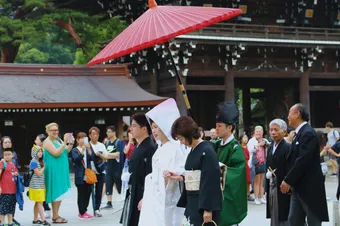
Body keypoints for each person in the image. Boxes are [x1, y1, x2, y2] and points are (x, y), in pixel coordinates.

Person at [138, 98, 187, 226]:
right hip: (157, 199)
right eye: (152, 127)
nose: (153, 131)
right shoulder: (161, 148)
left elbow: (170, 176)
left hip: (167, 200)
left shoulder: (175, 147)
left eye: (156, 127)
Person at [281, 103, 329, 225]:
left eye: (290, 114)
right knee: (294, 220)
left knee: (313, 220)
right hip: (298, 186)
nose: (288, 117)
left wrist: (288, 179)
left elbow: (302, 160)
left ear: (298, 114)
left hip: (309, 186)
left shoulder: (308, 133)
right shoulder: (299, 133)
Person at [169, 116, 222, 226]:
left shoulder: (207, 151)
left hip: (203, 204)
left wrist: (208, 209)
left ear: (189, 134)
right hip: (192, 200)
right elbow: (194, 176)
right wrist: (181, 178)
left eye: (181, 138)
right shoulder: (194, 150)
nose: (181, 142)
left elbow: (210, 180)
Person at [120, 113, 157, 226]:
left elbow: (151, 174)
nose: (131, 129)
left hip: (142, 192)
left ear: (144, 128)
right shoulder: (138, 146)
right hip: (134, 190)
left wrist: (146, 197)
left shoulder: (150, 148)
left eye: (134, 126)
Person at [215, 102, 247, 226]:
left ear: (229, 128)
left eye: (219, 126)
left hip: (226, 195)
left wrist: (218, 166)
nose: (216, 128)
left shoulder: (235, 148)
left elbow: (237, 173)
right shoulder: (216, 145)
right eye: (216, 126)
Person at [43, 123, 73, 224]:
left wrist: (70, 143)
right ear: (48, 131)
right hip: (53, 170)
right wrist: (64, 142)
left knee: (60, 191)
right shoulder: (47, 142)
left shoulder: (58, 140)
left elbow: (66, 151)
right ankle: (55, 216)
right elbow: (56, 153)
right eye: (52, 130)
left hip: (61, 169)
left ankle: (56, 214)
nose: (55, 132)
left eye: (56, 130)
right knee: (56, 191)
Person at [265, 119, 291, 226]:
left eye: (276, 130)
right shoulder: (271, 146)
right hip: (272, 184)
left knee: (284, 213)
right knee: (274, 211)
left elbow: (290, 167)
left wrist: (288, 181)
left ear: (284, 132)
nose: (273, 132)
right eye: (271, 130)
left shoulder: (287, 147)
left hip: (283, 184)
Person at [71, 132, 95, 220]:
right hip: (80, 175)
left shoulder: (89, 147)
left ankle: (84, 210)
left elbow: (93, 158)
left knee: (88, 192)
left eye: (84, 138)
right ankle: (81, 212)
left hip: (88, 175)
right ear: (77, 140)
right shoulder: (74, 150)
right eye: (81, 138)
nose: (83, 140)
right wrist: (83, 151)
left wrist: (89, 150)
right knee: (81, 194)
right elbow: (76, 159)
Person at [102, 125, 126, 209]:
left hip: (116, 167)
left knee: (118, 182)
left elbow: (118, 154)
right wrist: (109, 156)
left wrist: (107, 155)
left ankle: (123, 197)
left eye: (109, 132)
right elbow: (104, 155)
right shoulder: (107, 143)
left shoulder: (119, 142)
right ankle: (109, 202)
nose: (108, 133)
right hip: (108, 166)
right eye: (107, 132)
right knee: (108, 183)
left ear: (114, 132)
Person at [28, 145, 51, 226]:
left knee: (37, 203)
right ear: (34, 153)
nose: (40, 153)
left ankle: (35, 219)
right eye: (38, 151)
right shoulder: (33, 162)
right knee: (40, 203)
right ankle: (43, 220)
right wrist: (44, 167)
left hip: (39, 186)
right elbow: (39, 173)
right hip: (36, 186)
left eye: (41, 151)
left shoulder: (38, 161)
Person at [88, 126, 108, 217]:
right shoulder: (87, 145)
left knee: (99, 191)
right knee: (89, 191)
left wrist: (99, 154)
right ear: (90, 135)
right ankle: (87, 209)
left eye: (97, 134)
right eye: (93, 134)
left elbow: (106, 158)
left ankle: (96, 208)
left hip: (100, 171)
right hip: (90, 171)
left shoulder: (101, 145)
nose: (95, 136)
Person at [247, 126, 269, 205]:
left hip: (263, 162)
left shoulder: (265, 140)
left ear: (263, 132)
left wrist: (265, 145)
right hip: (255, 163)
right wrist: (259, 145)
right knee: (256, 181)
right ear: (254, 132)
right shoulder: (251, 141)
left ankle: (261, 197)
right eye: (257, 131)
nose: (258, 133)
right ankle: (256, 197)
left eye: (260, 131)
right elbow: (250, 150)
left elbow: (268, 149)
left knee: (262, 181)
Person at [33, 134, 51, 219]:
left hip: (44, 173)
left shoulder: (45, 151)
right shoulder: (36, 150)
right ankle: (39, 215)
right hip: (39, 175)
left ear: (41, 142)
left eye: (37, 139)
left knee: (42, 194)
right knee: (40, 195)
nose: (35, 141)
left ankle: (46, 210)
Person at [0, 149, 19, 226]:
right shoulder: (2, 163)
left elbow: (16, 172)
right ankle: (2, 222)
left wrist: (16, 174)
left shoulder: (13, 164)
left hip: (13, 190)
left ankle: (10, 222)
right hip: (5, 190)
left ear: (12, 155)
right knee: (3, 208)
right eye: (5, 155)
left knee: (11, 208)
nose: (7, 156)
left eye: (9, 154)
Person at [240, 134, 252, 201]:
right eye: (244, 137)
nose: (245, 139)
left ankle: (248, 194)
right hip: (242, 165)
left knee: (248, 180)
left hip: (247, 164)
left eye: (246, 137)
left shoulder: (247, 147)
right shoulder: (239, 147)